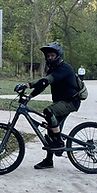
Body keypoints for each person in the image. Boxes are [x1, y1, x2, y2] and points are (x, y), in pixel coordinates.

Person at [13, 42, 81, 170]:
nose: (50, 58)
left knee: (48, 111)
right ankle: (49, 160)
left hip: (70, 102)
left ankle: (59, 141)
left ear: (58, 56)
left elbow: (46, 81)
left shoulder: (64, 68)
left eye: (52, 55)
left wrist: (27, 85)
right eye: (48, 56)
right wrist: (29, 97)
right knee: (51, 127)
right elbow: (43, 85)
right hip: (61, 102)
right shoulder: (53, 69)